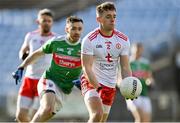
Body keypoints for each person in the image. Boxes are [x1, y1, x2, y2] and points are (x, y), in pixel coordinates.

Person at [12, 16, 84, 122]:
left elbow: (90, 66)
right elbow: (37, 54)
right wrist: (21, 67)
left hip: (64, 90)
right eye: (73, 28)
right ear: (67, 29)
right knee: (47, 108)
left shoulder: (84, 46)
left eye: (79, 29)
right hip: (49, 80)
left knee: (45, 114)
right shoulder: (56, 42)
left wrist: (83, 78)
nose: (77, 32)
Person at [81, 2, 132, 122]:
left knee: (101, 121)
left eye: (114, 16)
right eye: (108, 16)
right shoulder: (89, 40)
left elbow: (125, 68)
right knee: (97, 114)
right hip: (92, 82)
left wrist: (128, 85)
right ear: (98, 19)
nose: (112, 20)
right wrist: (98, 88)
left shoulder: (123, 40)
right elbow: (86, 68)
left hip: (110, 86)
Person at [15, 8, 56, 122]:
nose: (47, 23)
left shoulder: (55, 39)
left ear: (52, 22)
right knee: (20, 115)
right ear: (38, 22)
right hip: (29, 79)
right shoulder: (31, 36)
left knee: (36, 115)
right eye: (44, 20)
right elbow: (22, 50)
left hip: (45, 81)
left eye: (49, 21)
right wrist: (23, 55)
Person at [126, 43, 154, 122]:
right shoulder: (128, 62)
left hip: (144, 93)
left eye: (139, 50)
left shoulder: (145, 63)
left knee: (146, 120)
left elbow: (149, 77)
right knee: (139, 117)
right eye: (136, 49)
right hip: (132, 94)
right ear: (132, 50)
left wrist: (150, 81)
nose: (138, 52)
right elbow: (120, 78)